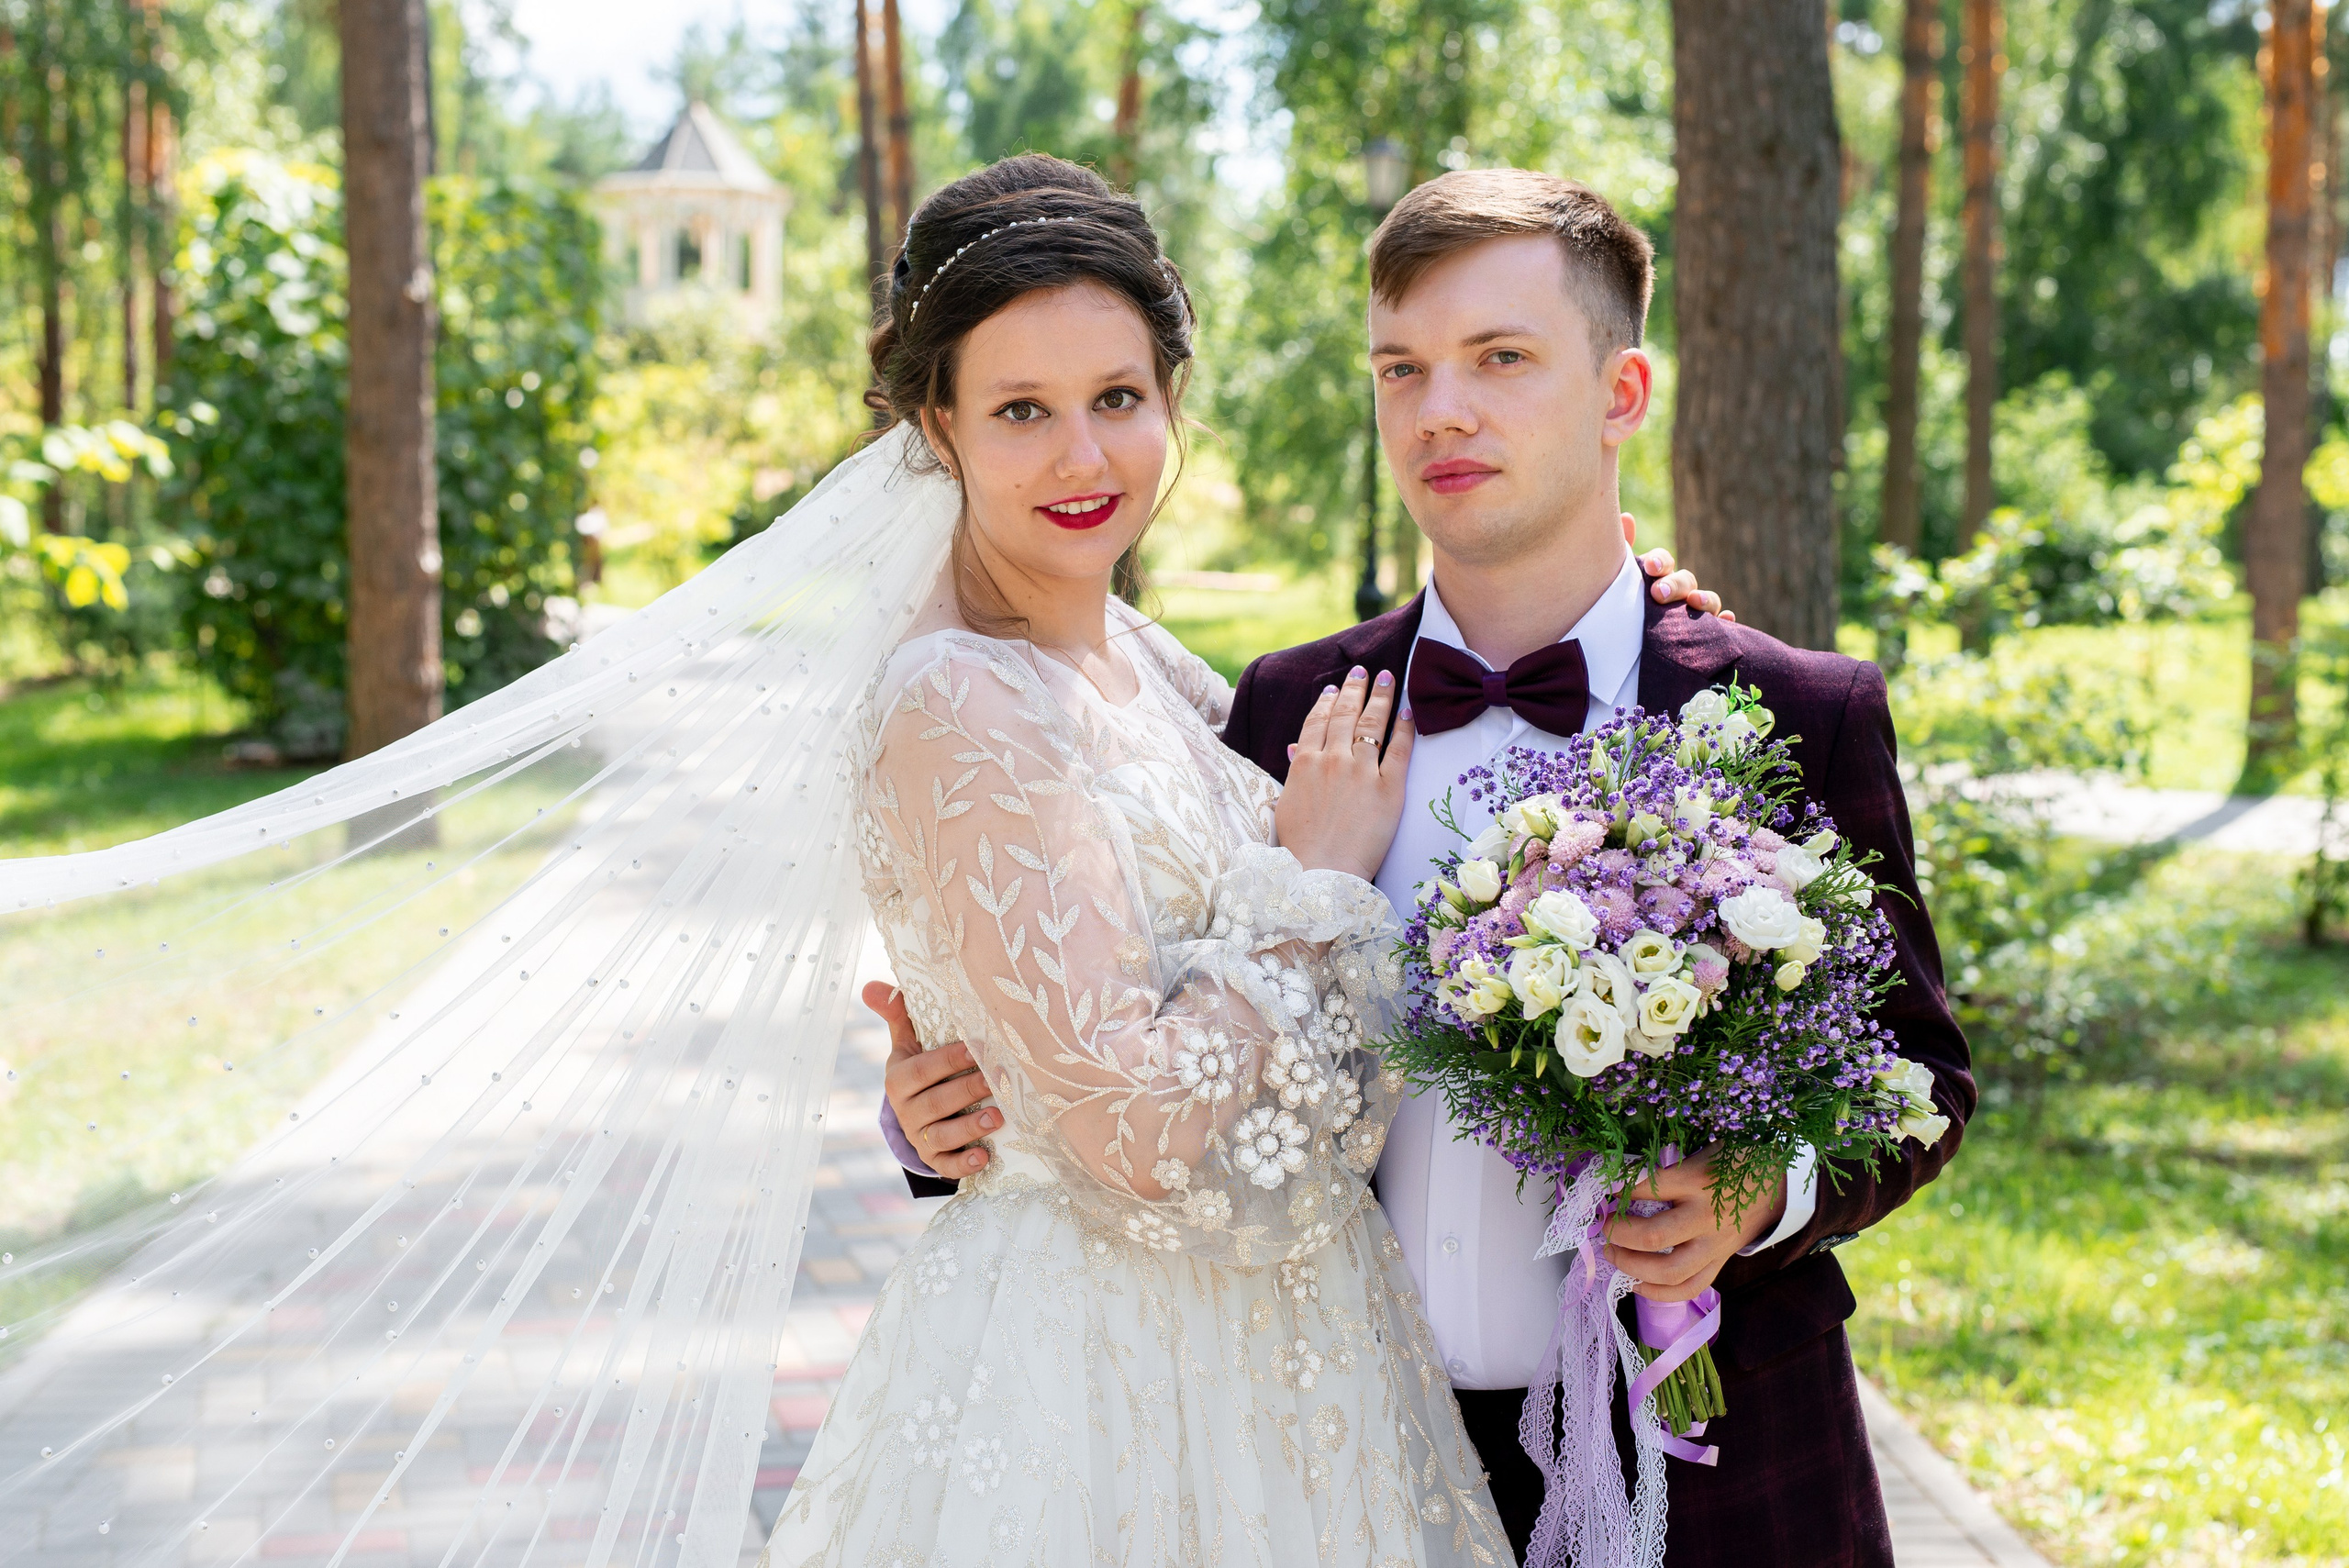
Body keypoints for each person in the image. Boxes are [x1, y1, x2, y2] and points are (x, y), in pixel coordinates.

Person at [883, 168, 1973, 1568]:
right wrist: (947, 1108)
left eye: (1502, 359)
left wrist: (1762, 1191)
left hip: (1719, 1464)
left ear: (1622, 391)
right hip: (1340, 1458)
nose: (1443, 410)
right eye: (1404, 370)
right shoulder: (1286, 717)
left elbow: (1920, 1078)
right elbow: (1124, 1011)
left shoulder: (1789, 712)